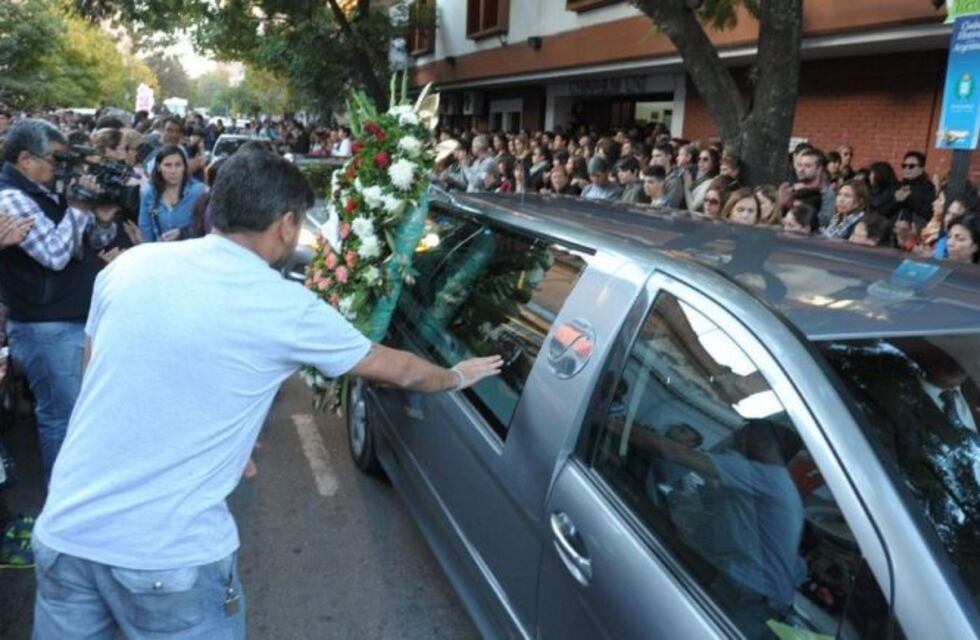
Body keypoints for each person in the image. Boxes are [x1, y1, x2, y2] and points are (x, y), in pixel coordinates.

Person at [29, 150, 502, 638]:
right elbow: (399, 370)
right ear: (286, 223)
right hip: (168, 561)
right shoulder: (283, 305)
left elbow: (97, 383)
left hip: (65, 534)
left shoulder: (132, 265)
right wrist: (457, 375)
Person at [0, 119, 118, 483]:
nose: (61, 167)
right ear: (25, 159)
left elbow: (91, 244)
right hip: (45, 328)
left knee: (77, 415)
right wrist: (78, 205)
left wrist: (101, 221)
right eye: (55, 158)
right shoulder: (10, 198)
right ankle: (62, 503)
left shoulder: (44, 193)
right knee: (62, 418)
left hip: (69, 321)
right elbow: (54, 254)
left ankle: (74, 496)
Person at [138, 144, 207, 242]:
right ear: (158, 167)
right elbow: (145, 228)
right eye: (167, 165)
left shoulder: (199, 191)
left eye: (178, 165)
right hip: (161, 249)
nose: (173, 171)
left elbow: (207, 225)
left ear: (184, 167)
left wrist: (182, 233)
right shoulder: (148, 192)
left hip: (192, 248)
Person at [887, 151, 936, 227]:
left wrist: (909, 198)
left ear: (921, 169)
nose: (907, 169)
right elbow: (884, 210)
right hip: (892, 228)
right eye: (904, 166)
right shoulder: (897, 186)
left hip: (915, 229)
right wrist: (896, 200)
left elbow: (929, 213)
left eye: (911, 166)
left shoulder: (927, 187)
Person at [794, 148, 834, 226]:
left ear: (819, 169)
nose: (801, 170)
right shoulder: (792, 189)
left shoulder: (827, 194)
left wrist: (801, 210)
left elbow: (825, 221)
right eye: (800, 165)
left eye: (807, 166)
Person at [650, 143, 685, 208]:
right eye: (653, 156)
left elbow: (670, 206)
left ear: (669, 157)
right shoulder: (652, 176)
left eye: (658, 156)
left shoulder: (674, 181)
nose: (654, 160)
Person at [687, 147, 720, 212]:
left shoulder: (710, 182)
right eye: (699, 159)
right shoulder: (695, 173)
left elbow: (693, 208)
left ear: (713, 162)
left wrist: (687, 187)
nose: (701, 161)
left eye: (705, 159)